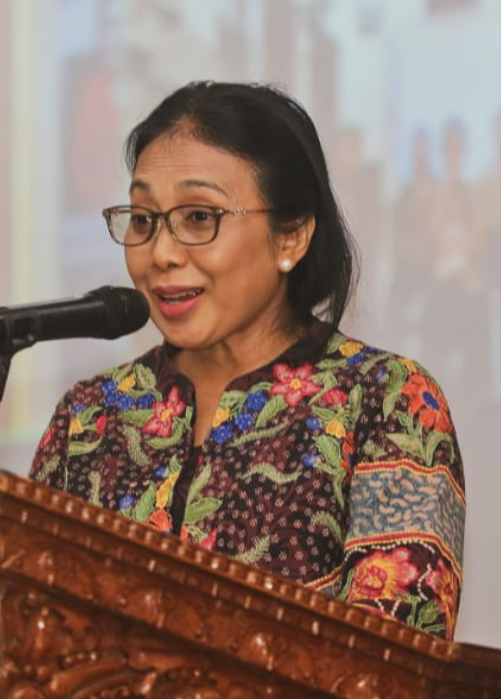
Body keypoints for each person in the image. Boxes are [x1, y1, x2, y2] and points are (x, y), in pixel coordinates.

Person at [29, 82, 466, 639]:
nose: (161, 253)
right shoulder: (88, 417)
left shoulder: (386, 401)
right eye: (142, 219)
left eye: (199, 217)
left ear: (292, 237)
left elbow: (395, 661)